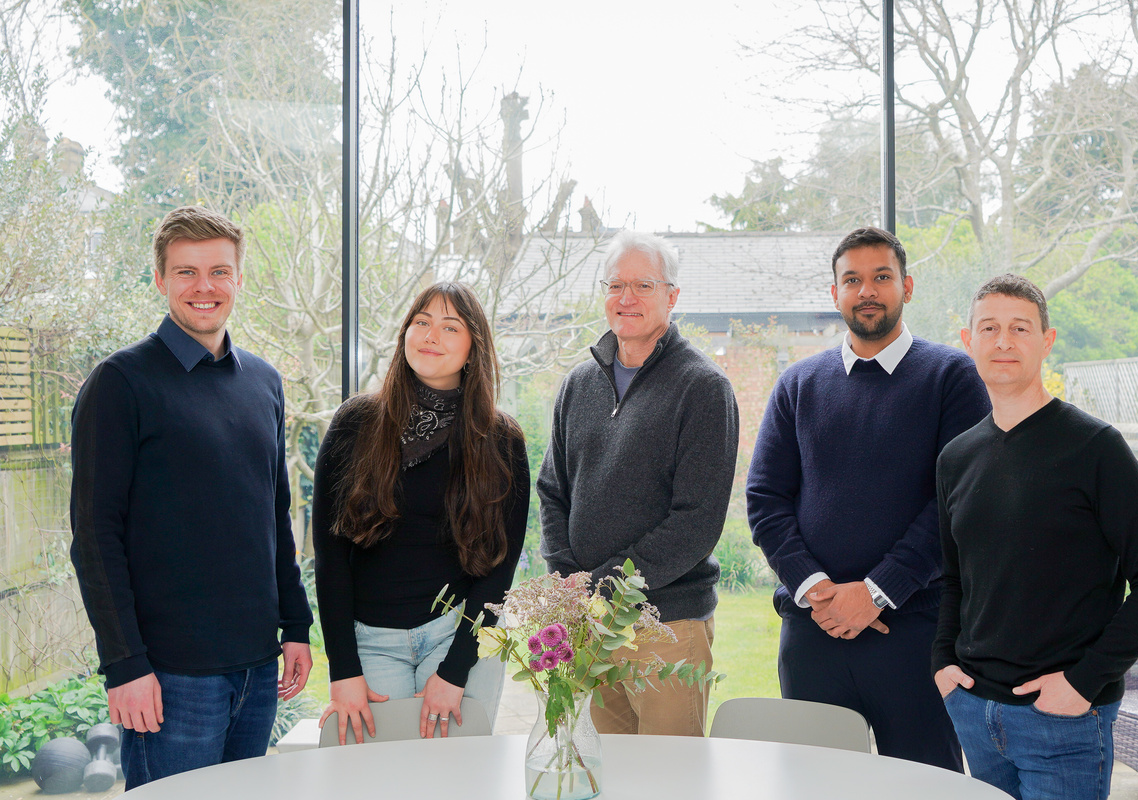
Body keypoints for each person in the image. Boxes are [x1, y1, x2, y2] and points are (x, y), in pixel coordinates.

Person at [69, 206, 313, 789]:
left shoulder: (265, 381)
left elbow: (272, 513)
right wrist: (124, 665)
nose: (205, 287)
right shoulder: (119, 383)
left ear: (238, 277)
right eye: (186, 272)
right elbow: (95, 537)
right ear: (160, 279)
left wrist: (296, 623)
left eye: (219, 271)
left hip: (258, 669)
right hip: (170, 678)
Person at [746, 226, 990, 770]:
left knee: (926, 784)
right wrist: (817, 591)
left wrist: (877, 592)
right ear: (834, 293)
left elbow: (956, 504)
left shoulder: (953, 378)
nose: (867, 291)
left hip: (915, 633)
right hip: (813, 632)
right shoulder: (798, 384)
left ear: (907, 285)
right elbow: (765, 498)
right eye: (851, 280)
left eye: (881, 277)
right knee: (815, 784)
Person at [933, 273, 1138, 799]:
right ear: (968, 340)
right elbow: (956, 579)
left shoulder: (1095, 448)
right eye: (990, 328)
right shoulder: (955, 458)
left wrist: (1084, 682)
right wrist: (943, 665)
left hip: (1062, 719)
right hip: (974, 711)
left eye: (1020, 328)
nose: (1003, 342)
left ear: (1046, 341)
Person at [537, 230, 739, 737]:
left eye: (643, 285)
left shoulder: (704, 388)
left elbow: (695, 523)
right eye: (616, 284)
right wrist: (569, 582)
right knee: (606, 773)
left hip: (667, 624)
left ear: (672, 296)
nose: (626, 298)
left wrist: (603, 585)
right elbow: (552, 490)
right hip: (588, 622)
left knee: (670, 782)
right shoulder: (578, 384)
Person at [313, 282, 529, 745]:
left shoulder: (501, 439)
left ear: (474, 348)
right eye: (422, 321)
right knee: (379, 781)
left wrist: (455, 672)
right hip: (370, 641)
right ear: (405, 333)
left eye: (451, 326)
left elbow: (500, 567)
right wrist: (343, 670)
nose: (432, 335)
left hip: (458, 635)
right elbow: (329, 558)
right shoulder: (356, 422)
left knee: (456, 780)